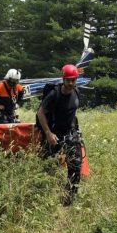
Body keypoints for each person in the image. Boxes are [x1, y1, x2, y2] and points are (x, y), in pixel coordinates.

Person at [36, 64, 83, 205]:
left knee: (75, 167)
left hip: (70, 134)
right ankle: (42, 195)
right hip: (53, 135)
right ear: (63, 79)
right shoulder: (54, 94)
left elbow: (71, 113)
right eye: (68, 80)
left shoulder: (77, 92)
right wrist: (48, 133)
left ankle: (68, 200)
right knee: (47, 166)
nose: (70, 83)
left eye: (73, 80)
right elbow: (40, 113)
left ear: (76, 80)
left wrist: (76, 131)